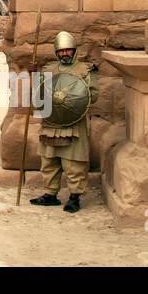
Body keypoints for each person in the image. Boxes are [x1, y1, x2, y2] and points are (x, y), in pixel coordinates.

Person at [29, 31, 97, 213]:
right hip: (51, 122)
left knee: (73, 162)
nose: (65, 54)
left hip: (73, 122)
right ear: (56, 52)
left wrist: (75, 98)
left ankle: (74, 197)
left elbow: (94, 95)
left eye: (68, 51)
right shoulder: (48, 70)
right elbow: (39, 95)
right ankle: (50, 194)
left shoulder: (85, 70)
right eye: (61, 51)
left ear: (74, 51)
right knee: (49, 160)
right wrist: (34, 76)